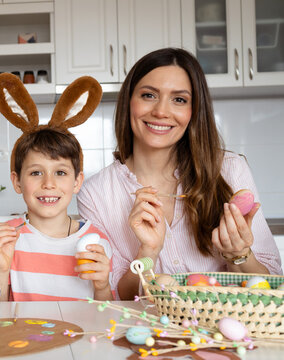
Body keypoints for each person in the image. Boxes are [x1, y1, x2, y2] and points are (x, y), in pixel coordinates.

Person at [77, 47, 282, 300]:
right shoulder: (96, 193)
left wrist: (239, 254)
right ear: (129, 101)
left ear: (193, 111)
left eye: (179, 99)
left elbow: (272, 283)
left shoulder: (228, 169)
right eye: (149, 95)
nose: (161, 111)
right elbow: (118, 295)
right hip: (150, 333)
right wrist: (148, 252)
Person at [0, 73, 113, 302]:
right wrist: (1, 272)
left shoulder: (95, 240)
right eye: (36, 172)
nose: (49, 183)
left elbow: (105, 314)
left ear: (77, 182)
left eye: (60, 172)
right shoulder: (4, 239)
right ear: (17, 182)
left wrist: (103, 286)